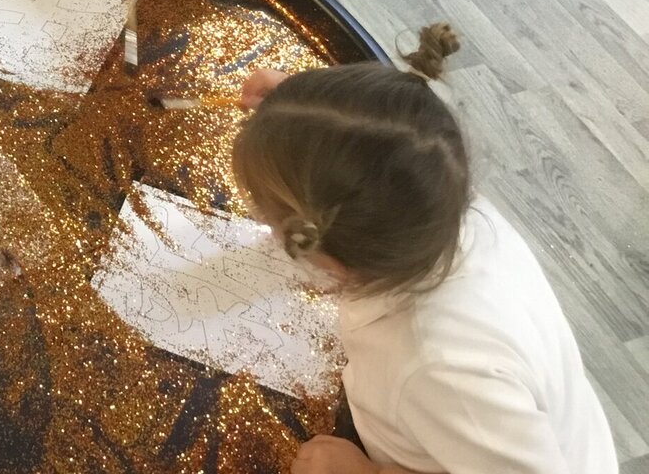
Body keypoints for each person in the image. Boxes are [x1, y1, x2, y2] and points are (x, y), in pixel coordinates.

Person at [233, 24, 616, 474]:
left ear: (331, 259)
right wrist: (299, 115)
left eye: (271, 219)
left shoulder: (438, 367)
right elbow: (380, 149)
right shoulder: (436, 195)